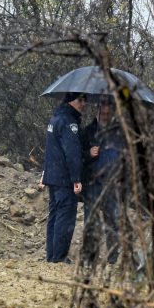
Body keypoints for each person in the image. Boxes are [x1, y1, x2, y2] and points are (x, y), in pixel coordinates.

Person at [42, 92, 87, 263]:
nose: (84, 105)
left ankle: (52, 256)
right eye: (82, 101)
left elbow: (50, 151)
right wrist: (76, 178)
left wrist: (45, 173)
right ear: (73, 101)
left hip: (53, 176)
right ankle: (59, 258)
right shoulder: (69, 122)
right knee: (65, 216)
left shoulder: (55, 119)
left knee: (54, 215)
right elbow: (72, 153)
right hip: (64, 178)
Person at [82, 95, 127, 264]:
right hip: (93, 184)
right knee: (91, 221)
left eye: (108, 114)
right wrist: (88, 154)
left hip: (113, 184)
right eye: (103, 113)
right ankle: (89, 258)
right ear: (98, 111)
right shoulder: (87, 132)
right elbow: (79, 157)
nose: (105, 117)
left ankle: (113, 259)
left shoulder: (119, 134)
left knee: (113, 223)